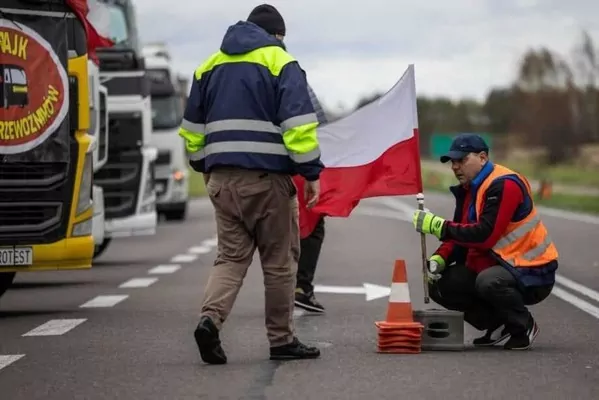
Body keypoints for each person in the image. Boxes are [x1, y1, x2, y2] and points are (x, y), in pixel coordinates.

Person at [178, 3, 323, 364]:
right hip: (267, 183)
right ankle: (281, 340)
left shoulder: (208, 66)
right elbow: (299, 127)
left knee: (229, 258)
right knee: (279, 263)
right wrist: (310, 172)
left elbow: (192, 131)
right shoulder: (280, 62)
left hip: (221, 181)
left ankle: (209, 320)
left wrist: (203, 166)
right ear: (277, 35)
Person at [412, 134, 559, 350]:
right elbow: (462, 230)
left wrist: (439, 226)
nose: (455, 166)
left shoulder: (505, 185)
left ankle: (522, 326)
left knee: (488, 281)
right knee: (438, 284)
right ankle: (500, 325)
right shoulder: (472, 188)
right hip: (504, 264)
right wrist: (440, 258)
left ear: (482, 157)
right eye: (453, 161)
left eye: (461, 160)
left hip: (532, 271)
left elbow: (484, 235)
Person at [294, 84, 328, 313]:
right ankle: (300, 288)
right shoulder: (290, 73)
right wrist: (312, 170)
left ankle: (214, 310)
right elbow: (318, 123)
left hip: (242, 166)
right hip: (293, 163)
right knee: (312, 223)